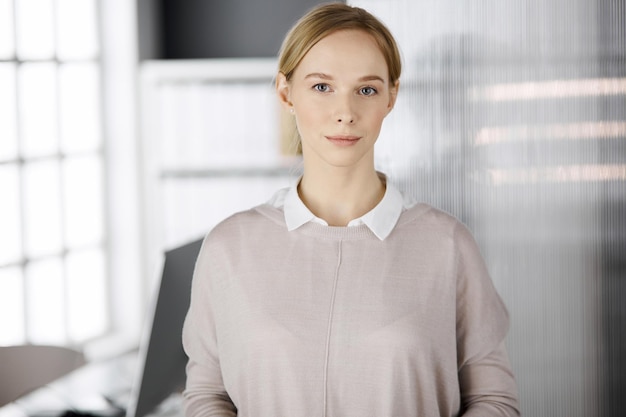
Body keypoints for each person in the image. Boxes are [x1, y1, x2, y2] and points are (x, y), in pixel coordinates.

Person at [182, 3, 520, 416]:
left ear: (391, 97)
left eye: (367, 89)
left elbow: (492, 400)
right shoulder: (229, 248)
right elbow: (206, 394)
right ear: (286, 92)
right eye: (322, 87)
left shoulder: (447, 245)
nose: (345, 113)